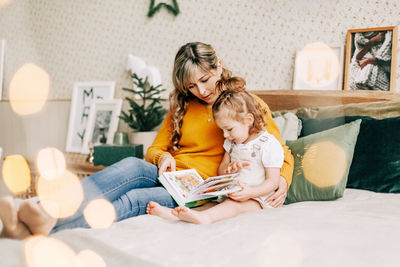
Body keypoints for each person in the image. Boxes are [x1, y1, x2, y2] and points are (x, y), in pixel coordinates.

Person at [0, 42, 293, 239]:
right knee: (130, 165)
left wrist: (282, 181)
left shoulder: (245, 106)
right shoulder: (183, 106)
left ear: (218, 67)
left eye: (204, 79)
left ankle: (38, 228)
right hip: (170, 174)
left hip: (200, 187)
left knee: (137, 199)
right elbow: (155, 148)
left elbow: (279, 150)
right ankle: (49, 208)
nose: (200, 90)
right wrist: (162, 158)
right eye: (191, 85)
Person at [147, 77, 284, 224]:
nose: (225, 135)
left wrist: (250, 193)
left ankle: (205, 218)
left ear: (248, 120)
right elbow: (221, 171)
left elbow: (273, 181)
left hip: (258, 199)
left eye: (229, 129)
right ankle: (174, 215)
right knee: (209, 204)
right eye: (222, 130)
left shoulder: (268, 144)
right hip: (231, 195)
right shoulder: (232, 143)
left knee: (232, 207)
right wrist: (229, 170)